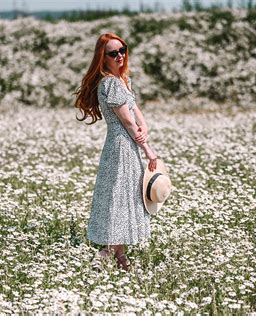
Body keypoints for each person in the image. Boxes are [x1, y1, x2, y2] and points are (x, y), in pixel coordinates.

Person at [73, 33, 158, 272]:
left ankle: (121, 258)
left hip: (128, 145)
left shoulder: (123, 81)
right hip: (121, 145)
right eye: (113, 53)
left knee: (125, 197)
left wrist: (145, 126)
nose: (120, 55)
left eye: (122, 50)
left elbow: (135, 110)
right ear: (103, 57)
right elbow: (127, 122)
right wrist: (149, 150)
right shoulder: (109, 82)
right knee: (119, 199)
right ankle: (105, 255)